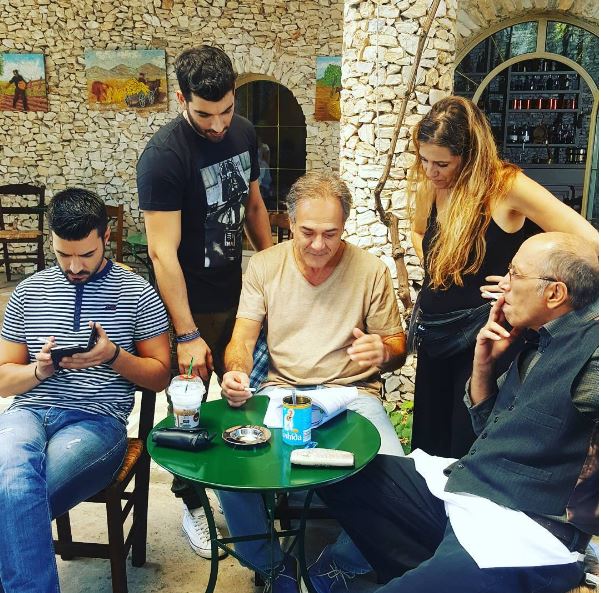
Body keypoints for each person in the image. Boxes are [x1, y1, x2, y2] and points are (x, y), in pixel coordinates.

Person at [310, 232, 598, 593]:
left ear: (554, 293)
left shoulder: (592, 353)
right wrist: (483, 364)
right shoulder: (535, 339)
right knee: (344, 473)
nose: (503, 286)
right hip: (473, 490)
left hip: (523, 533)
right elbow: (488, 426)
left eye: (514, 274)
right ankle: (423, 572)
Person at [220, 172, 407, 592]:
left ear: (344, 226)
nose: (319, 245)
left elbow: (396, 345)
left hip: (351, 394)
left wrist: (382, 351)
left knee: (399, 483)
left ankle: (338, 565)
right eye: (307, 232)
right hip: (282, 392)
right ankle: (272, 563)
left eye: (331, 233)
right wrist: (236, 371)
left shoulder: (370, 270)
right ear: (289, 223)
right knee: (229, 471)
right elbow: (243, 338)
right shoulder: (265, 265)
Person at [137, 45, 272, 559]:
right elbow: (161, 253)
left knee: (247, 397)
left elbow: (253, 205)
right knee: (189, 411)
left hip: (238, 294)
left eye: (226, 110)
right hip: (185, 306)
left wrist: (274, 275)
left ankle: (251, 490)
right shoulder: (164, 158)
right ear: (181, 99)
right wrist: (187, 333)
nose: (217, 125)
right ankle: (192, 502)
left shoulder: (244, 132)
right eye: (203, 114)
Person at [0, 188, 170, 593]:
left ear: (106, 237)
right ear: (51, 241)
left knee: (16, 496)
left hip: (97, 421)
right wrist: (39, 370)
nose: (74, 266)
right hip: (28, 412)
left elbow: (161, 376)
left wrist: (113, 356)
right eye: (63, 255)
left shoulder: (137, 292)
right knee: (12, 484)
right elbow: (4, 380)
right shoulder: (28, 292)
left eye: (86, 255)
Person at [409, 95, 598, 459]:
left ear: (470, 156)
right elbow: (419, 233)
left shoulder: (506, 185)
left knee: (467, 448)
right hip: (434, 336)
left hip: (485, 340)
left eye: (442, 163)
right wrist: (440, 267)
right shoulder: (430, 182)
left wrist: (524, 282)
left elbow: (589, 244)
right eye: (424, 160)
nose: (431, 172)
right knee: (427, 448)